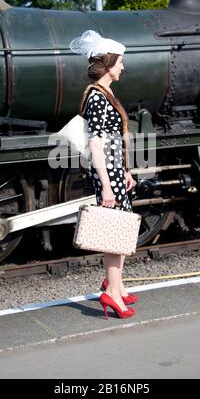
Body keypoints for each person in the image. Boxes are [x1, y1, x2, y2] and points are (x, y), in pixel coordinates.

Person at [69, 30, 138, 319]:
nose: (123, 67)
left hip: (112, 169)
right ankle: (111, 291)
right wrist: (108, 186)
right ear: (108, 64)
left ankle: (117, 285)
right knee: (114, 232)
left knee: (119, 228)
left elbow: (111, 142)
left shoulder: (105, 93)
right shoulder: (98, 97)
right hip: (105, 172)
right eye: (120, 62)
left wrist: (124, 170)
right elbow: (95, 143)